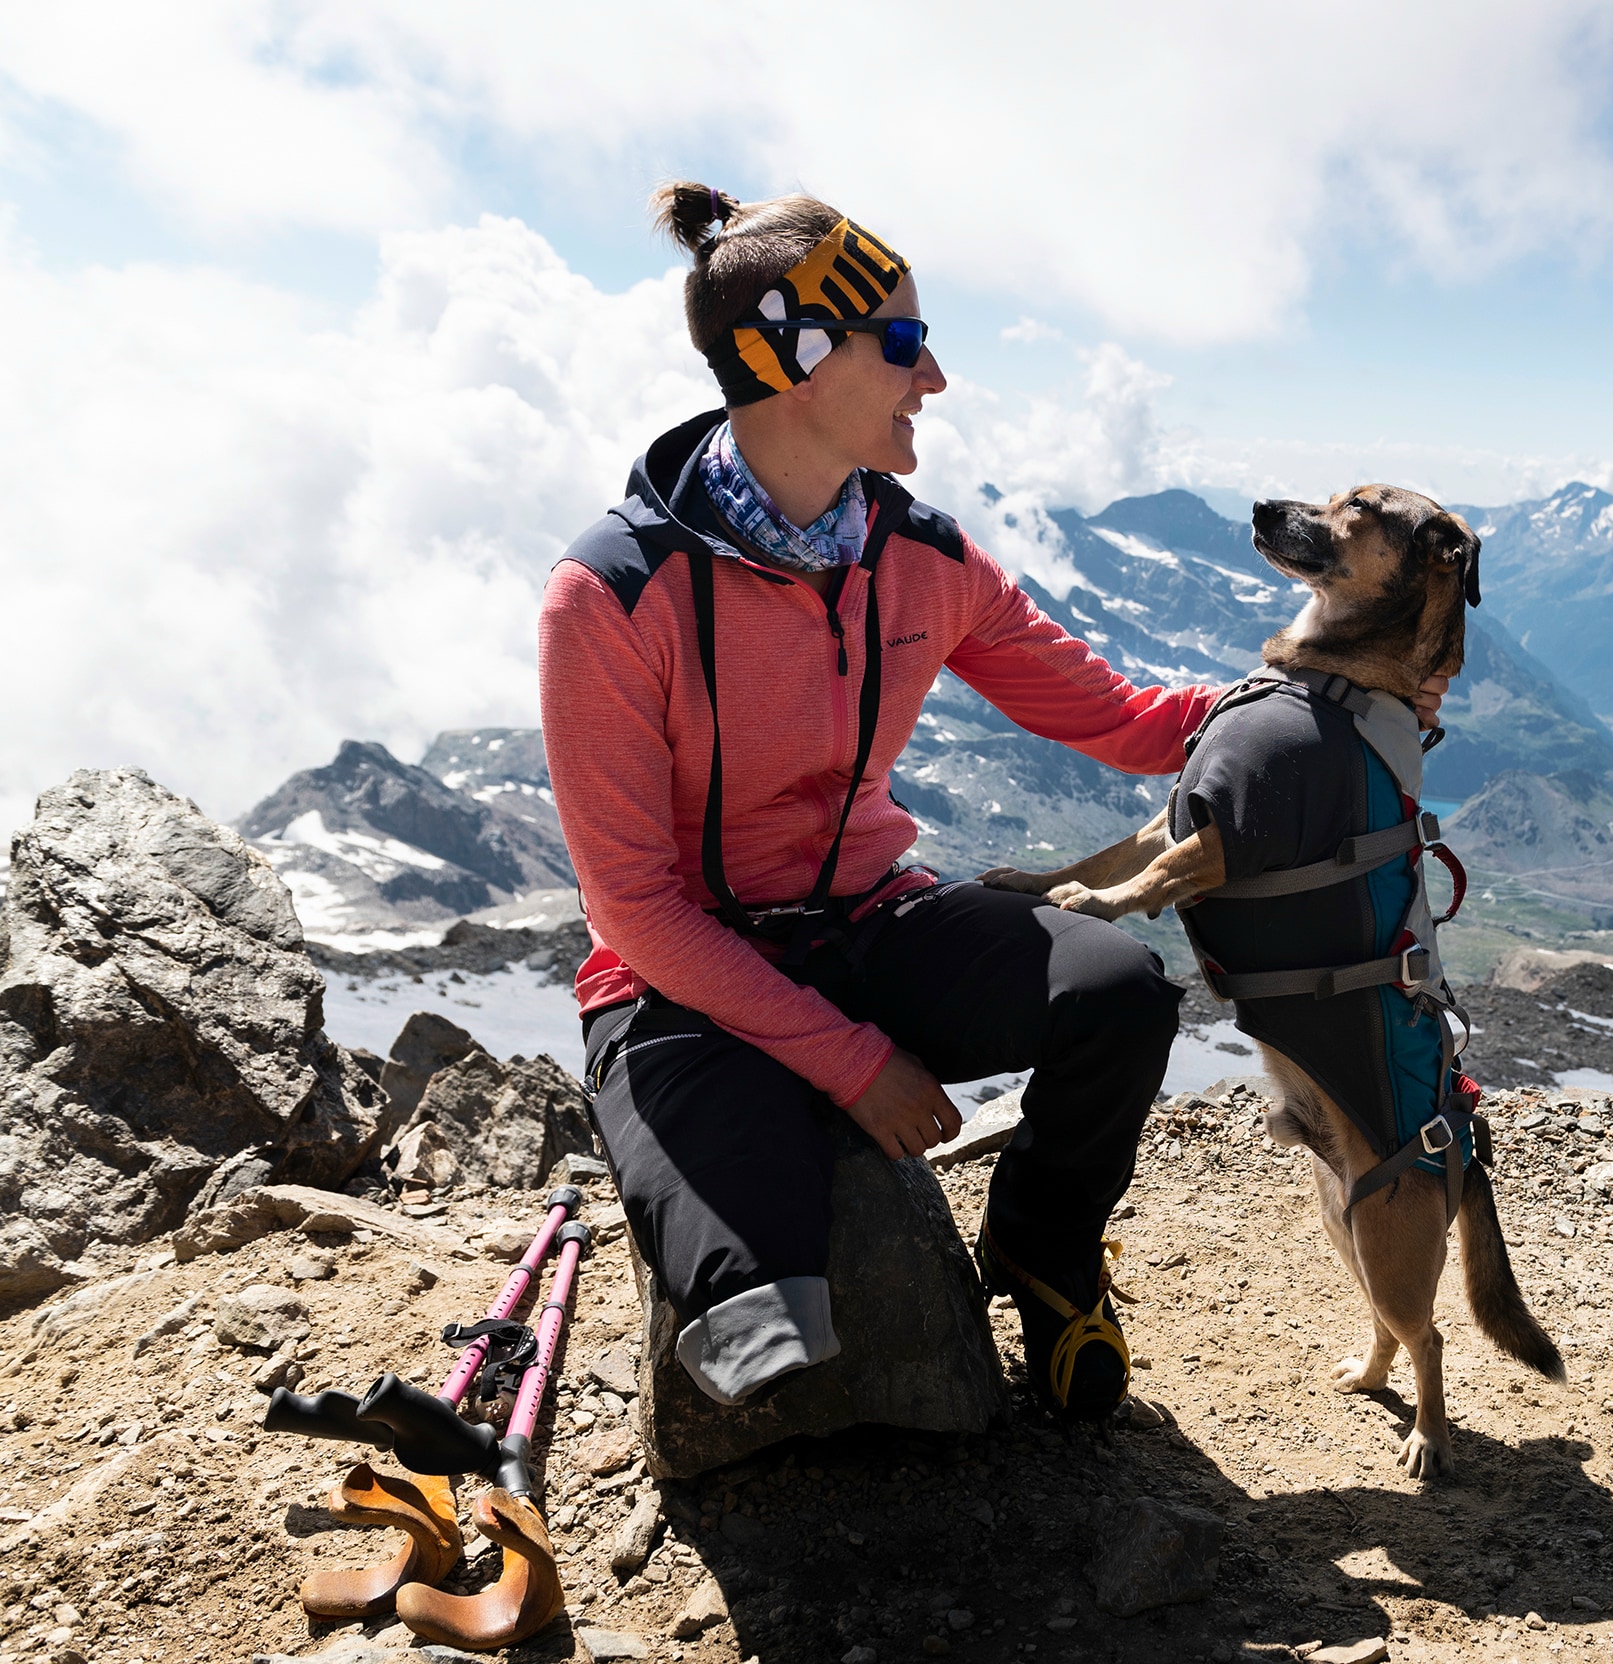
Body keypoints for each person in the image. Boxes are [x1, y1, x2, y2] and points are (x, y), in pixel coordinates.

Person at [540, 182, 1444, 1419]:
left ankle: (1041, 1251)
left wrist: (1325, 706)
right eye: (904, 345)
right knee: (759, 1339)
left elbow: (1119, 715)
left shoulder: (923, 556)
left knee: (1119, 992)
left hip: (870, 920)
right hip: (681, 982)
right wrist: (852, 1066)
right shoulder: (610, 597)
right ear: (799, 359)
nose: (937, 378)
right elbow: (634, 909)